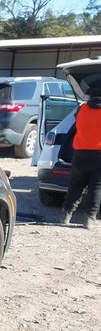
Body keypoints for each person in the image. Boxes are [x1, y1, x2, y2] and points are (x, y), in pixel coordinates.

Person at [61, 85, 101, 229]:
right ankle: (89, 219)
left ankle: (66, 215)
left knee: (76, 185)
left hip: (80, 153)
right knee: (96, 187)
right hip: (99, 154)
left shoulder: (82, 108)